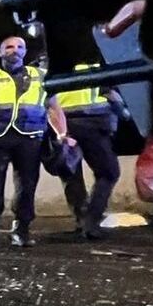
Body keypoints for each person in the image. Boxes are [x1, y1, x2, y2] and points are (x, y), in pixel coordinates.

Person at [0, 35, 70, 248]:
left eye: (19, 46)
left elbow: (53, 108)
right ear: (0, 53)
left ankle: (21, 230)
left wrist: (62, 134)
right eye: (9, 47)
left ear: (25, 51)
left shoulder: (40, 76)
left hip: (30, 138)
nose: (15, 50)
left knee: (27, 185)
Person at [53, 62, 129, 239]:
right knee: (109, 172)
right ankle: (91, 221)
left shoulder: (53, 64)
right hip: (92, 123)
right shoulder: (97, 63)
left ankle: (82, 221)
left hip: (61, 123)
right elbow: (110, 92)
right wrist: (123, 112)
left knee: (70, 172)